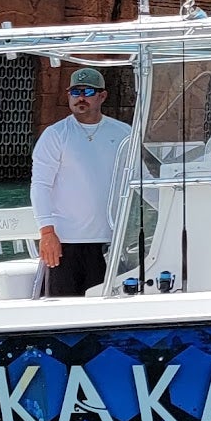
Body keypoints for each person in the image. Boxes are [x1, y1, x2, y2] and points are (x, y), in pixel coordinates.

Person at [31, 66, 129, 298]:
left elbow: (138, 181)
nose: (80, 98)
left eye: (88, 92)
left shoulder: (124, 133)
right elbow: (40, 185)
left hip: (111, 241)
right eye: (75, 92)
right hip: (65, 243)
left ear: (102, 96)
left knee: (107, 309)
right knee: (62, 309)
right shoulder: (55, 134)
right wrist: (47, 233)